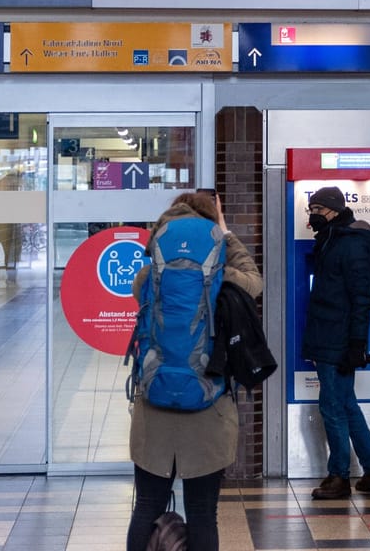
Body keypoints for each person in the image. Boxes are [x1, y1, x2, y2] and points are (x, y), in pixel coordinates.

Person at [126, 190, 261, 551]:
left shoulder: (149, 276)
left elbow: (141, 297)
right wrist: (226, 232)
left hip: (154, 402)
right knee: (203, 512)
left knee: (146, 507)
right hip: (209, 403)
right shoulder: (224, 277)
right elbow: (254, 281)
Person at [301, 184, 370, 500]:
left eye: (318, 210)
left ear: (335, 210)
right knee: (346, 404)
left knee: (333, 406)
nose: (313, 216)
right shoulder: (331, 240)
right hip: (328, 334)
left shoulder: (350, 245)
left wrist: (356, 344)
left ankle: (338, 476)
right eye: (310, 210)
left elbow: (362, 298)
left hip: (337, 338)